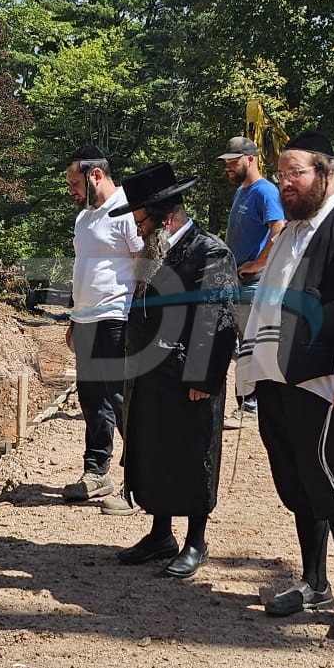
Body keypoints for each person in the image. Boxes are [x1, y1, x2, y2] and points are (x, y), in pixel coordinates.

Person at [234, 131, 334, 637]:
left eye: (296, 173)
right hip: (279, 381)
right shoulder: (288, 233)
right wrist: (251, 371)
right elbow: (267, 303)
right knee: (299, 484)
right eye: (281, 174)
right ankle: (313, 581)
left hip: (329, 383)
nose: (286, 183)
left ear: (326, 174)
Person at [109, 164, 239, 579]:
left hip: (188, 377)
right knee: (153, 449)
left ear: (165, 218)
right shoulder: (155, 250)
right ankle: (160, 532)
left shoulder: (210, 251)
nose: (137, 230)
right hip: (150, 374)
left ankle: (195, 539)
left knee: (191, 452)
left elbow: (215, 318)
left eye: (141, 221)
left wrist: (203, 377)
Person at [65, 144, 143, 502]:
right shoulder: (85, 218)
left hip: (116, 318)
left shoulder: (127, 210)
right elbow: (83, 268)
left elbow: (145, 265)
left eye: (75, 181)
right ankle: (97, 471)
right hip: (85, 320)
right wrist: (73, 316)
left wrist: (143, 316)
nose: (72, 190)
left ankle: (142, 473)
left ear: (96, 174)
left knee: (119, 397)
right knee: (91, 398)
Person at [221, 135, 285, 426]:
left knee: (252, 342)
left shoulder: (265, 192)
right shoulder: (241, 192)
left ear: (251, 159)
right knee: (241, 342)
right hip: (238, 282)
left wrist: (258, 263)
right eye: (227, 164)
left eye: (233, 162)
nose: (228, 168)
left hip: (254, 282)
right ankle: (245, 402)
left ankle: (251, 405)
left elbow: (278, 229)